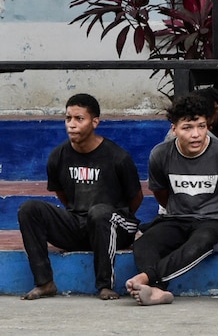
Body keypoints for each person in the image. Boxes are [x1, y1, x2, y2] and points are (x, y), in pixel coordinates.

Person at [125, 93, 218, 306]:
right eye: (187, 128)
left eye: (201, 126)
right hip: (177, 218)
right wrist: (180, 212)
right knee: (144, 243)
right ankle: (159, 291)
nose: (196, 134)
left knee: (199, 242)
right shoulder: (160, 154)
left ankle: (148, 280)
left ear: (208, 126)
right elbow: (161, 193)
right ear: (174, 129)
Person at [18, 94, 142, 301]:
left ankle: (105, 285)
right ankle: (45, 282)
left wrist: (106, 219)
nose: (71, 125)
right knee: (29, 209)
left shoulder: (118, 157)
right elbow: (62, 194)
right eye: (68, 118)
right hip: (78, 225)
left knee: (99, 212)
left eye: (79, 119)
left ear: (95, 122)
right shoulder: (58, 156)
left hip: (116, 226)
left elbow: (135, 198)